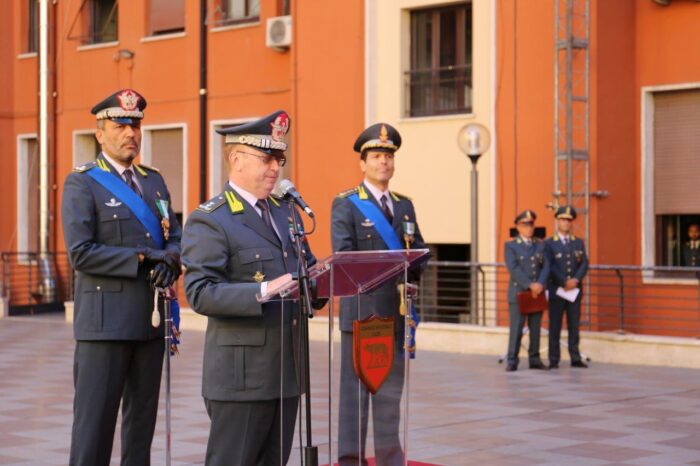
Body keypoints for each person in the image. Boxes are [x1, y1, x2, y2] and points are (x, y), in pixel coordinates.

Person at [182, 110, 323, 466]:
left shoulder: (287, 213)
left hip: (287, 371)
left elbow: (309, 272)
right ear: (236, 159)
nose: (275, 167)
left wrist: (330, 280)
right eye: (266, 158)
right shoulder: (211, 219)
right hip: (241, 377)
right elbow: (200, 291)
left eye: (279, 158)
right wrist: (262, 292)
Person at [61, 88, 182, 465]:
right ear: (100, 133)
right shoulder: (83, 183)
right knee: (93, 432)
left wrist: (173, 259)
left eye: (136, 125)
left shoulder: (154, 181)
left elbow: (172, 232)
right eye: (120, 125)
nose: (130, 133)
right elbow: (81, 253)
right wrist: (146, 259)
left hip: (150, 324)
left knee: (140, 432)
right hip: (104, 327)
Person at [331, 122, 426, 466]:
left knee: (389, 396)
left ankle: (390, 459)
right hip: (361, 314)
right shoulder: (346, 204)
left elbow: (419, 251)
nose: (383, 162)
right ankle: (350, 460)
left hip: (395, 312)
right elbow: (344, 258)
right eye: (376, 156)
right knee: (355, 398)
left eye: (388, 156)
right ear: (363, 163)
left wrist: (415, 267)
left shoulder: (404, 206)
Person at [504, 210, 549, 372]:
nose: (529, 228)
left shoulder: (540, 244)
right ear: (518, 227)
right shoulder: (511, 246)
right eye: (525, 225)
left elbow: (546, 266)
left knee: (536, 328)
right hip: (520, 293)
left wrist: (540, 284)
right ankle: (512, 359)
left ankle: (535, 359)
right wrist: (530, 285)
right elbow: (514, 268)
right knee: (516, 328)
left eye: (531, 224)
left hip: (537, 292)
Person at [545, 205, 589, 368]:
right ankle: (554, 359)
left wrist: (575, 280)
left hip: (574, 291)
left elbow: (584, 263)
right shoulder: (549, 243)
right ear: (557, 221)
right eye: (563, 219)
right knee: (555, 326)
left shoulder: (578, 242)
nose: (566, 223)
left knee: (574, 325)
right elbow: (550, 266)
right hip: (558, 290)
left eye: (569, 220)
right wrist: (564, 281)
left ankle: (575, 357)